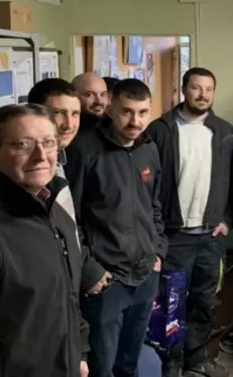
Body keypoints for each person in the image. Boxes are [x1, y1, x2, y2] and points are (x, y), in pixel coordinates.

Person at [66, 79, 167, 377]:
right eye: (126, 112)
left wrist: (158, 251)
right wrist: (89, 268)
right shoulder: (84, 150)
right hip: (107, 279)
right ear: (111, 109)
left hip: (146, 273)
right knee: (102, 365)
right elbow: (70, 219)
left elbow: (155, 206)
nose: (135, 121)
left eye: (142, 112)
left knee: (130, 362)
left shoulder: (149, 148)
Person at [0, 104, 88, 377]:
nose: (41, 156)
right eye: (23, 145)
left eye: (49, 143)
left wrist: (79, 352)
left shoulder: (52, 202)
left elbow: (67, 293)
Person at [147, 67, 233, 377]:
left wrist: (227, 220)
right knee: (170, 303)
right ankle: (170, 361)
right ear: (184, 90)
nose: (202, 94)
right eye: (196, 88)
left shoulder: (225, 131)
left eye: (208, 89)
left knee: (204, 299)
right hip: (175, 235)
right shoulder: (160, 130)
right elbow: (149, 183)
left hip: (211, 234)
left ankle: (195, 357)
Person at [27, 78, 81, 227]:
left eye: (75, 114)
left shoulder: (64, 157)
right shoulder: (25, 165)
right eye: (58, 113)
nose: (69, 124)